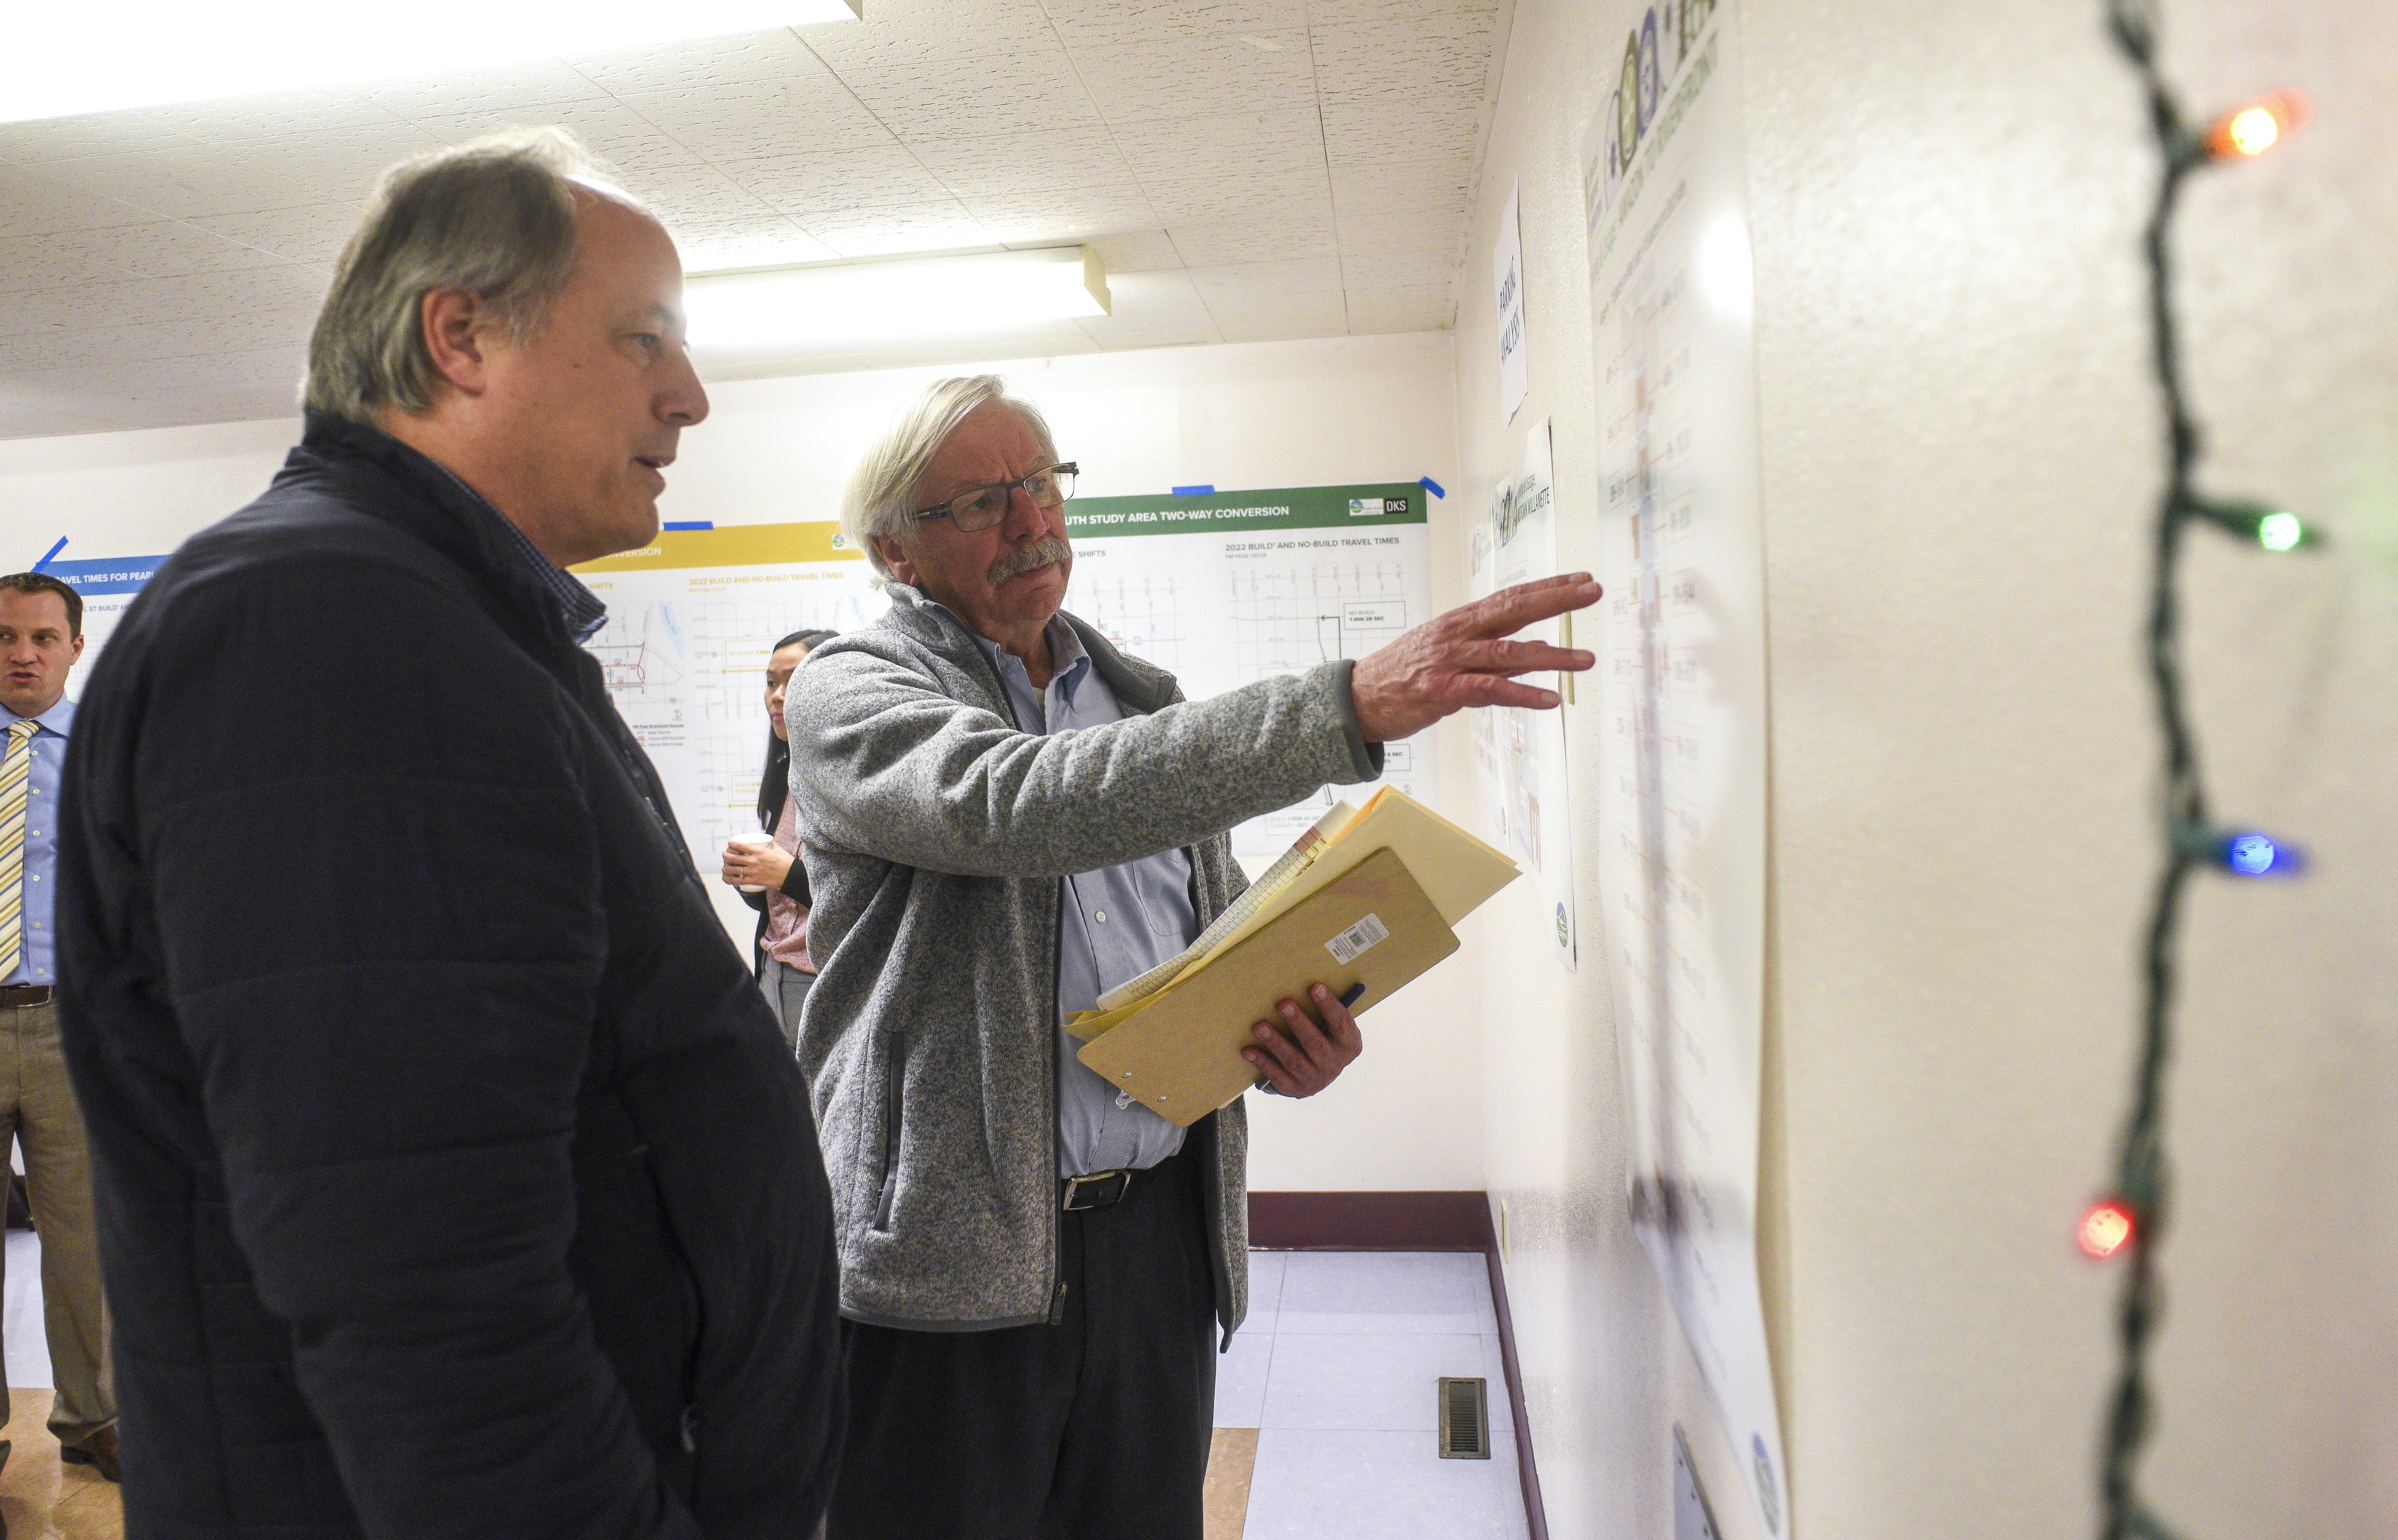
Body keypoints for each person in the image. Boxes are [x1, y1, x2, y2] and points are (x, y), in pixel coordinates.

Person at [55, 130, 844, 1538]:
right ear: (459, 335)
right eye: (645, 338)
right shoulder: (329, 629)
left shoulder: (443, 616)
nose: (691, 395)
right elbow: (420, 1281)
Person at [785, 374, 1599, 1539]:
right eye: (980, 504)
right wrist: (1345, 707)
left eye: (1040, 483)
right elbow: (1021, 807)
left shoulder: (1132, 698)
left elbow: (1192, 954)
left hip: (1155, 1249)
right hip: (946, 1271)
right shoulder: (852, 689)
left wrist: (1271, 1044)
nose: (1031, 523)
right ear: (896, 552)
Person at [0, 571, 119, 1492]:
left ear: (76, 647)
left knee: (85, 1238)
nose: (23, 654)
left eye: (43, 638)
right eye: (6, 637)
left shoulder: (110, 754)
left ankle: (96, 1418)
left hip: (72, 1028)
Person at [723, 628, 837, 1048]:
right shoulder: (784, 775)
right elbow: (780, 903)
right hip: (773, 967)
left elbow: (871, 900)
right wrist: (750, 879)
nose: (777, 695)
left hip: (824, 976)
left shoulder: (853, 782)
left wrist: (786, 875)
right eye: (772, 682)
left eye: (794, 680)